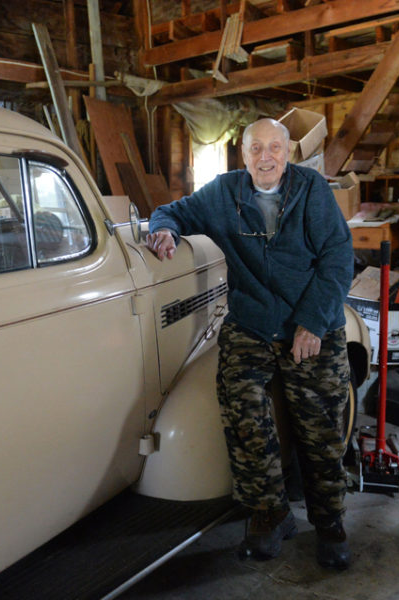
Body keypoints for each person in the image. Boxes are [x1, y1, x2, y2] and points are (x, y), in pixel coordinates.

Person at [146, 118, 354, 570]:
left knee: (320, 422)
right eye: (256, 148)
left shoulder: (313, 190)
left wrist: (312, 323)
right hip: (254, 323)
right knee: (242, 406)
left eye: (274, 148)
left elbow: (339, 257)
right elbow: (172, 211)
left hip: (312, 321)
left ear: (288, 153)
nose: (266, 157)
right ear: (243, 155)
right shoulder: (224, 192)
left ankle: (330, 521)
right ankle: (268, 512)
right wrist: (164, 230)